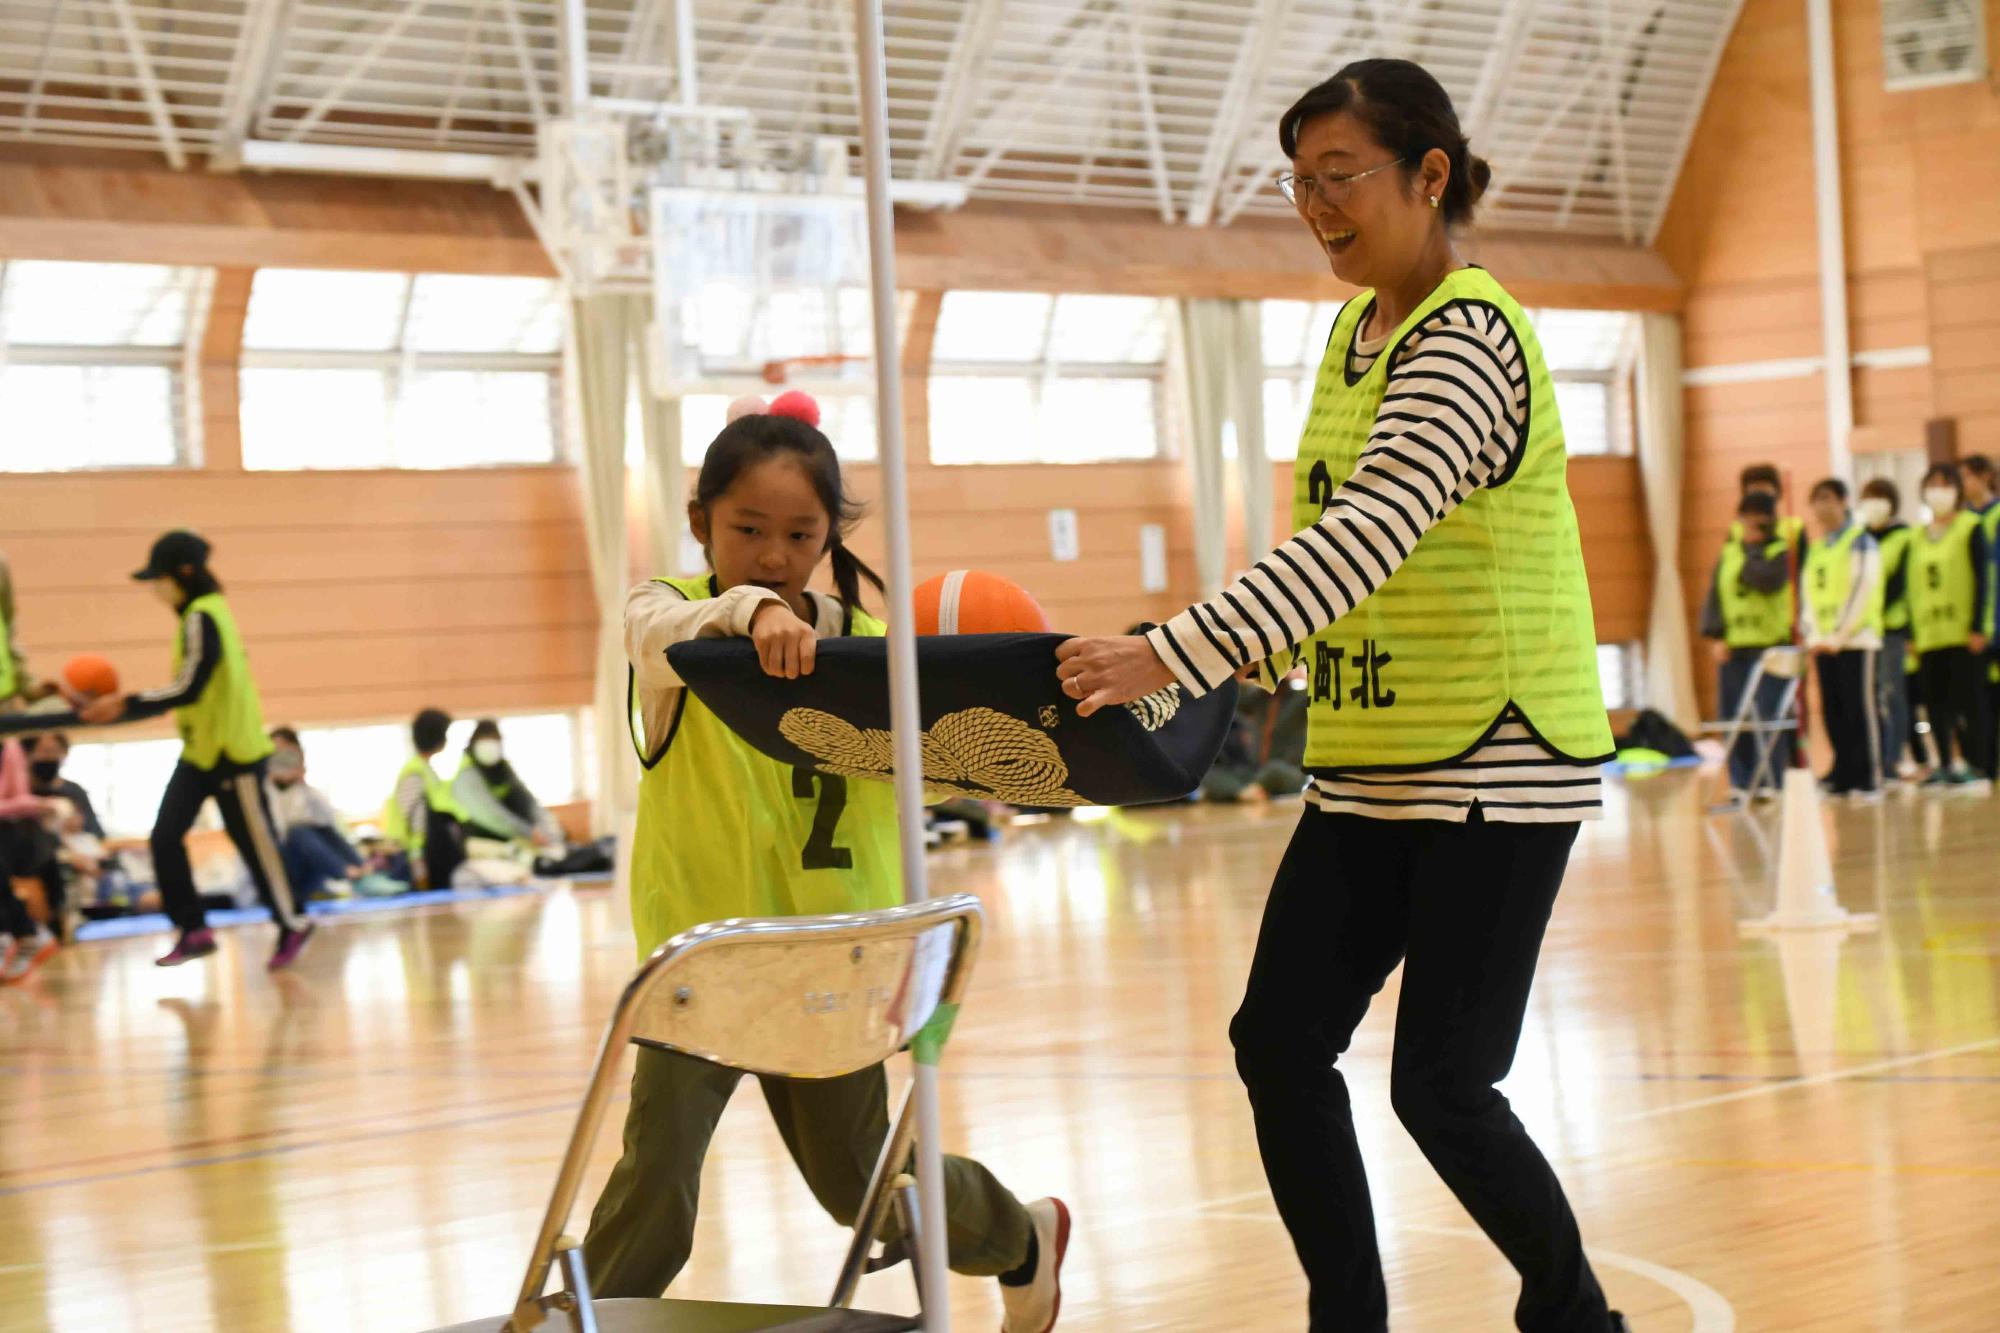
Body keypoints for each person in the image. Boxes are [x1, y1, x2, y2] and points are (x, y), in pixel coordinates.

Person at [1054, 60, 1627, 1333]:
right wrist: (1233, 662)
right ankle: (1348, 1320)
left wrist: (1174, 649)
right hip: (1370, 762)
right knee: (1277, 1041)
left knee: (1440, 1084)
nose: (1313, 204)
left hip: (1493, 767)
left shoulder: (1469, 336)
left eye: (1338, 177)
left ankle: (1575, 1316)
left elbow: (1368, 532)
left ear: (1429, 176)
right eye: (1297, 182)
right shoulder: (1350, 334)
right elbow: (1333, 560)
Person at [584, 392, 1069, 1333]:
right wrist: (753, 610)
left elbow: (920, 780)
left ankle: (1020, 1235)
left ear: (826, 535)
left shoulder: (872, 648)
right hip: (707, 962)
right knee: (659, 1174)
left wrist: (1017, 721)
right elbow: (656, 638)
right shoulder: (669, 614)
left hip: (839, 960)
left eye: (799, 534)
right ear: (700, 525)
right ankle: (594, 1317)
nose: (773, 553)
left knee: (859, 1188)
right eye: (747, 529)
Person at [79, 531, 314, 970]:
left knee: (256, 846)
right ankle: (193, 928)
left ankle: (293, 920)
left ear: (183, 574)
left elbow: (191, 685)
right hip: (202, 752)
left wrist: (127, 703)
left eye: (160, 577)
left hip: (234, 754)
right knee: (165, 837)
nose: (156, 588)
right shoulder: (197, 616)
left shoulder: (204, 616)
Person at [1701, 491, 1799, 796]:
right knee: (1735, 718)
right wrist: (1716, 635)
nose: (1751, 523)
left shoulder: (1781, 552)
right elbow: (1716, 594)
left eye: (1759, 516)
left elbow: (1764, 581)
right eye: (1746, 516)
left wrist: (1751, 550)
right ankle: (1741, 782)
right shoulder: (1729, 552)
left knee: (1768, 717)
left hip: (1770, 648)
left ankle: (1769, 780)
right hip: (1735, 648)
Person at [1908, 463, 1991, 786]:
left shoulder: (1970, 526)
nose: (1938, 491)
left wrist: (1977, 626)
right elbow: (1912, 588)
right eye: (1931, 484)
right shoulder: (1917, 535)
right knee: (1935, 705)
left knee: (1969, 702)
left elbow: (1984, 580)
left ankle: (1978, 764)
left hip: (1962, 632)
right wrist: (1912, 633)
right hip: (1929, 634)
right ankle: (1945, 763)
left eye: (1945, 484)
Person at [1801, 479, 1883, 798]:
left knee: (1858, 709)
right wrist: (1814, 633)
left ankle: (1868, 776)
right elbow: (1808, 594)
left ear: (1843, 501)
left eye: (1828, 498)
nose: (1822, 506)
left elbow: (1863, 589)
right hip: (1823, 643)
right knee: (1832, 710)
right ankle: (1843, 772)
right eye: (1816, 499)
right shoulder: (1818, 548)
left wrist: (1839, 634)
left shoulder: (1861, 541)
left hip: (1856, 641)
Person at [268, 727, 399, 899]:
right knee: (298, 832)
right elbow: (279, 831)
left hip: (311, 870)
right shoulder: (264, 790)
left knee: (322, 829)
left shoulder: (303, 791)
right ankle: (350, 874)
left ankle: (363, 874)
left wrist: (302, 784)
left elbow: (327, 819)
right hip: (283, 869)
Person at [1861, 478, 1915, 783]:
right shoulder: (1859, 538)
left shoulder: (1904, 536)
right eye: (1868, 496)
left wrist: (1877, 609)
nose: (1873, 503)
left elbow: (1899, 583)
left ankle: (1893, 758)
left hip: (1892, 628)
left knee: (1893, 695)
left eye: (1879, 497)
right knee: (1871, 697)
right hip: (1863, 631)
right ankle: (1874, 759)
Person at [384, 708, 470, 891]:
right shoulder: (414, 772)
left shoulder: (427, 770)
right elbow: (414, 817)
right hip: (420, 854)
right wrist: (418, 861)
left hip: (430, 851)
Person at [0, 734, 60, 982]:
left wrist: (38, 804)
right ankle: (27, 932)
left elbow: (14, 798)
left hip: (14, 836)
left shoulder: (9, 746)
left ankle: (18, 934)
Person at [451, 719, 563, 847]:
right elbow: (492, 816)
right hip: (482, 845)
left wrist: (548, 829)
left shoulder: (503, 769)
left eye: (494, 740)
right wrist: (529, 833)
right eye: (485, 740)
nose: (490, 746)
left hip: (517, 843)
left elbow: (528, 801)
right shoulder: (466, 776)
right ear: (474, 743)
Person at [1961, 454, 2000, 777]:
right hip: (1977, 626)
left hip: (1996, 620)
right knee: (1979, 700)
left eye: (1969, 476)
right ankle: (1984, 765)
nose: (1965, 484)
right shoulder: (1963, 520)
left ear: (1987, 476)